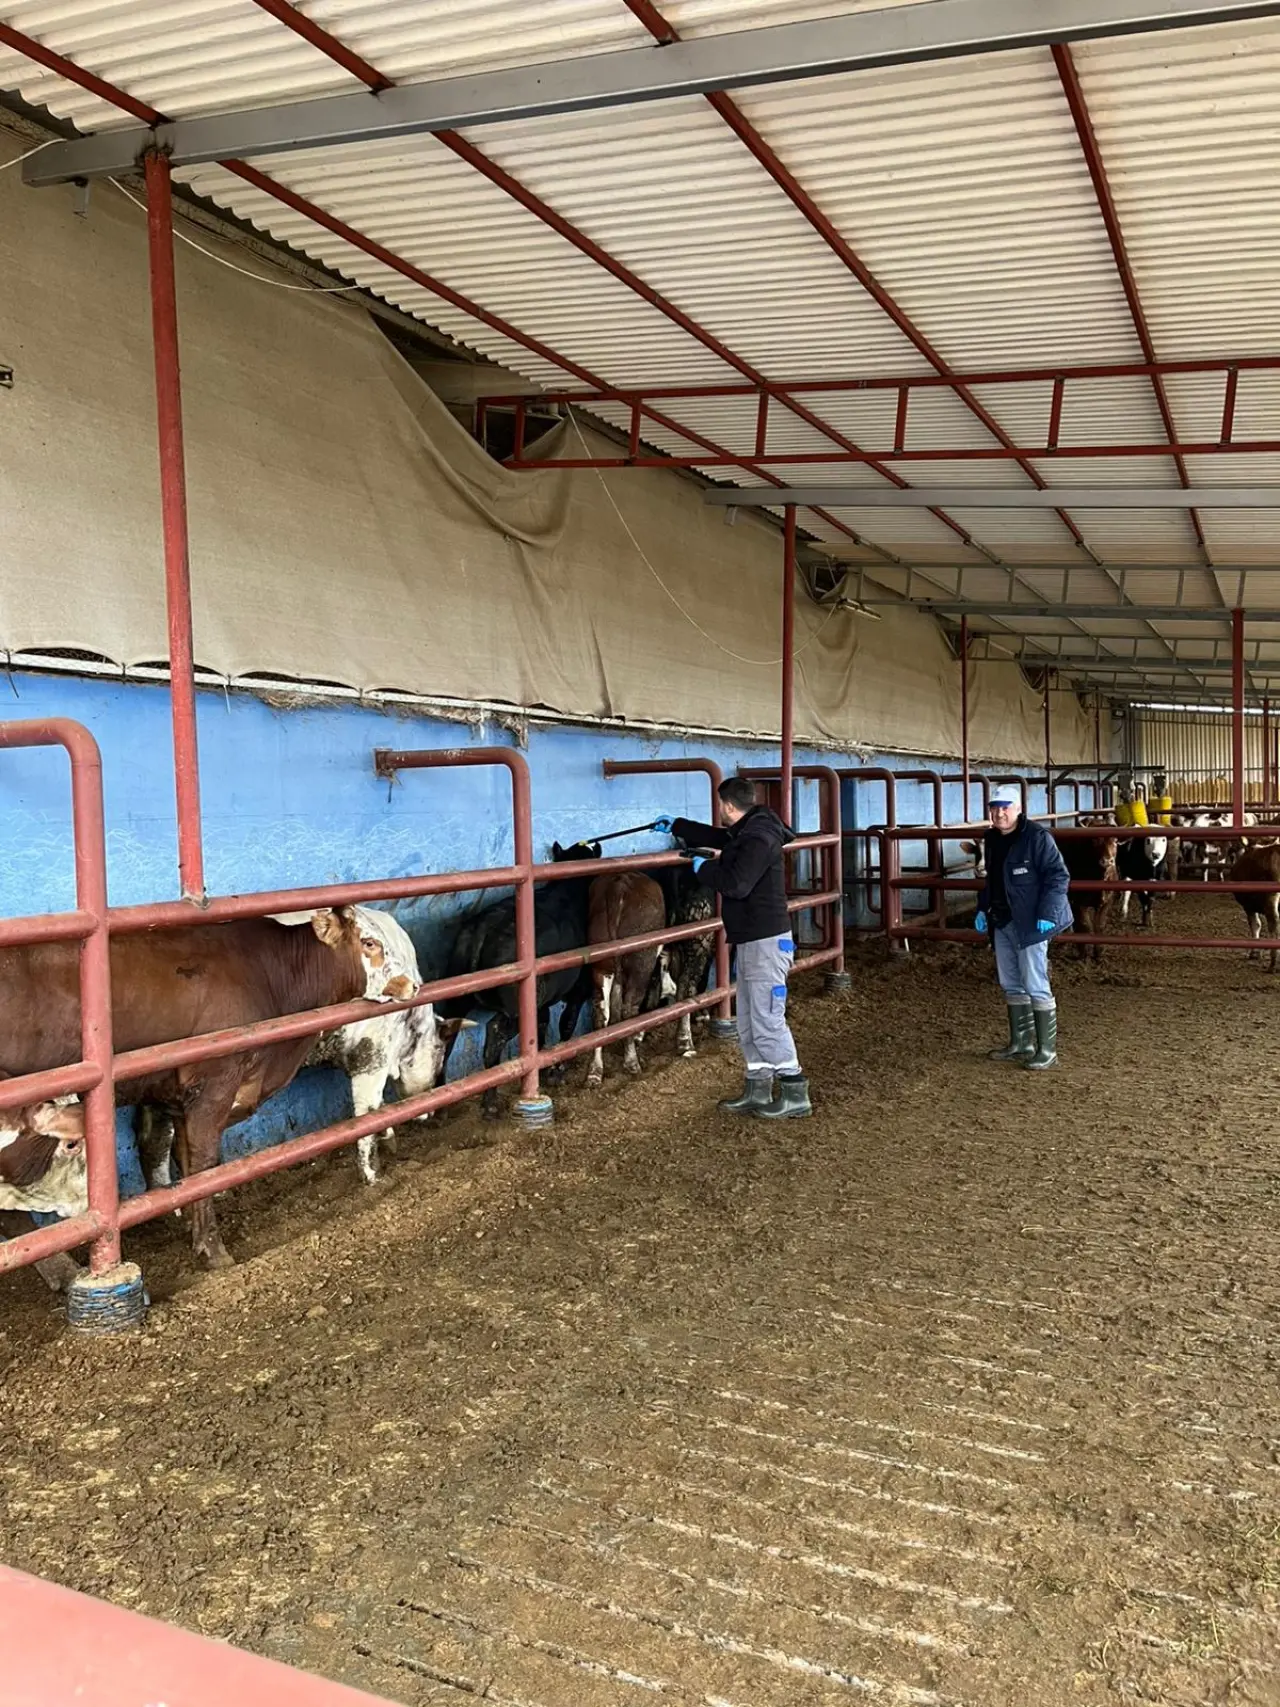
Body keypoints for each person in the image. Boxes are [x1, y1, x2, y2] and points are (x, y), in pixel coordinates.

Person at [654, 777, 809, 1119]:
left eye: (720, 806)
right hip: (752, 938)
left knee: (767, 1017)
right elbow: (720, 838)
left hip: (766, 941)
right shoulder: (750, 829)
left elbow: (737, 884)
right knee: (750, 1019)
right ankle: (758, 1086)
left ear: (726, 805)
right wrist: (679, 826)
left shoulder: (758, 837)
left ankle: (794, 1089)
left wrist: (704, 869)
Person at [974, 784, 1072, 1070]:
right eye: (994, 808)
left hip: (1031, 921)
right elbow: (993, 880)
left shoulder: (1037, 838)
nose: (999, 813)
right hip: (1002, 919)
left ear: (1018, 809)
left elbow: (1058, 876)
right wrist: (982, 907)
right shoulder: (992, 839)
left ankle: (1047, 1050)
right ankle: (1021, 1043)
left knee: (1035, 982)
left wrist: (1047, 912)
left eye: (1005, 808)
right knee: (1010, 982)